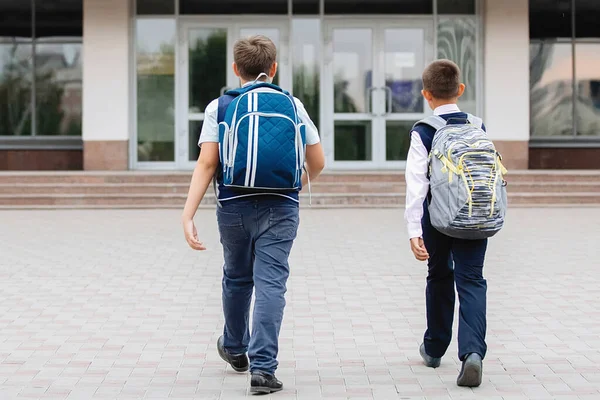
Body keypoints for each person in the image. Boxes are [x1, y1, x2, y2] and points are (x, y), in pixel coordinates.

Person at [181, 35, 325, 394]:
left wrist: (188, 214)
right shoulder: (292, 104)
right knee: (271, 283)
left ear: (236, 69)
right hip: (281, 205)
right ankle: (263, 369)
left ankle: (234, 347)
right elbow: (318, 161)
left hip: (233, 205)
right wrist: (295, 184)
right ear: (273, 69)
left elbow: (207, 162)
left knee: (237, 277)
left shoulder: (222, 106)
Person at [404, 59, 488, 387]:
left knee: (439, 275)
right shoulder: (477, 127)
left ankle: (435, 347)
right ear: (461, 90)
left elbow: (416, 184)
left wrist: (413, 229)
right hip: (475, 213)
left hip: (436, 219)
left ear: (426, 94)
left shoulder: (424, 130)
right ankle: (472, 354)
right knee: (472, 279)